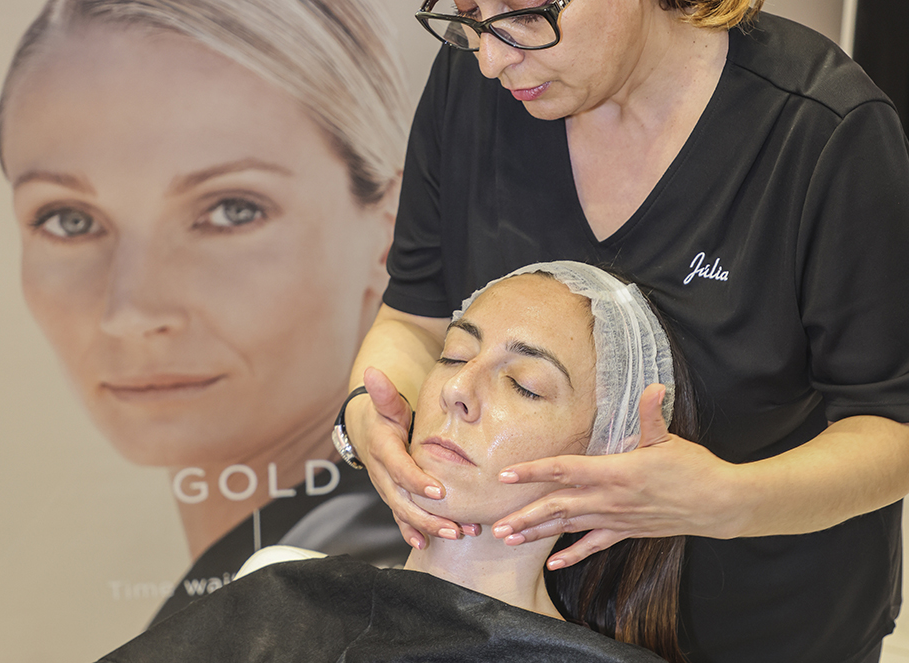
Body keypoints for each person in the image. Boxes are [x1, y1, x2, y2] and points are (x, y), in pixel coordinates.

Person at [342, 2, 909, 662]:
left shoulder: (819, 130)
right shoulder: (473, 79)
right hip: (520, 631)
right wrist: (366, 419)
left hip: (765, 627)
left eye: (525, 13)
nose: (492, 60)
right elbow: (414, 318)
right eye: (468, 12)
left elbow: (892, 421)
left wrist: (729, 500)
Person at [0, 0, 412, 624]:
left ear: (389, 232)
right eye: (69, 220)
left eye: (231, 210)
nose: (130, 311)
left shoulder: (361, 606)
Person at [96, 261, 694, 663]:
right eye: (454, 355)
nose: (457, 390)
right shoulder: (282, 588)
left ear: (606, 455)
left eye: (524, 385)